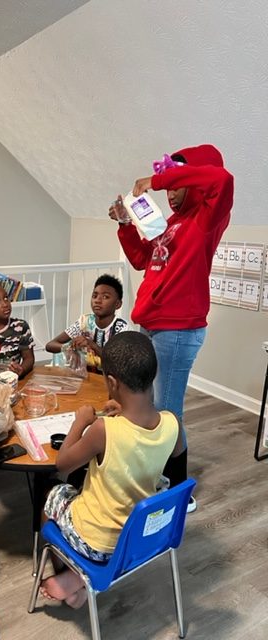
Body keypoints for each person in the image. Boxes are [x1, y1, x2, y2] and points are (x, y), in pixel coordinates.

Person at [109, 144, 234, 511]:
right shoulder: (172, 224)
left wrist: (161, 176)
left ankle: (180, 492)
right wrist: (124, 225)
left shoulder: (207, 217)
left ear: (192, 181)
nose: (170, 192)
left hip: (178, 329)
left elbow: (222, 178)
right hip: (153, 322)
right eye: (168, 187)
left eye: (177, 185)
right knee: (147, 405)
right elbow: (141, 260)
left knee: (167, 412)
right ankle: (154, 475)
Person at [40, 331, 183, 608]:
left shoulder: (103, 430)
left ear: (112, 382)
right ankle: (77, 581)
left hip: (99, 544)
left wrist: (80, 422)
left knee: (53, 492)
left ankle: (72, 575)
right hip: (140, 538)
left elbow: (63, 464)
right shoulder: (172, 422)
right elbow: (175, 450)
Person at [45, 273, 128, 373]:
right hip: (86, 377)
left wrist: (93, 345)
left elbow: (119, 363)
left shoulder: (123, 329)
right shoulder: (84, 321)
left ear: (117, 304)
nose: (97, 300)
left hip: (111, 382)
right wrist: (69, 349)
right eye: (95, 296)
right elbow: (50, 345)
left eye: (105, 297)